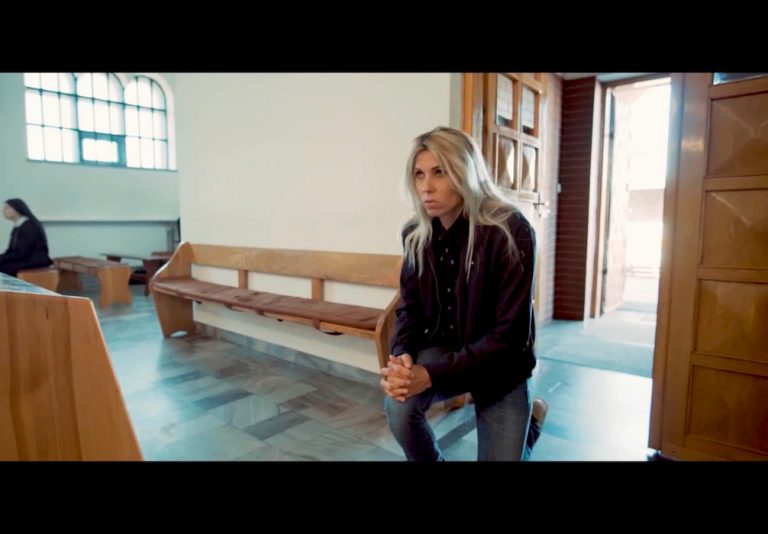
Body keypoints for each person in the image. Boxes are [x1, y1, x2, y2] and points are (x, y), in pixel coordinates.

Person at [381, 126, 547, 461]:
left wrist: (430, 374)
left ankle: (527, 430)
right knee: (398, 406)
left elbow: (511, 337)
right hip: (445, 352)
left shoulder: (510, 230)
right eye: (419, 174)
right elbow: (409, 310)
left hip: (499, 365)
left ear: (466, 172)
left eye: (439, 172)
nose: (426, 187)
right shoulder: (415, 233)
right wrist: (402, 358)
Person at [0, 198, 53, 276]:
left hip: (34, 261)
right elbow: (11, 250)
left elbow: (22, 253)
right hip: (24, 258)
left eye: (7, 208)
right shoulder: (18, 227)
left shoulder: (30, 226)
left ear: (17, 209)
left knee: (7, 268)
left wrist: (2, 258)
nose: (3, 211)